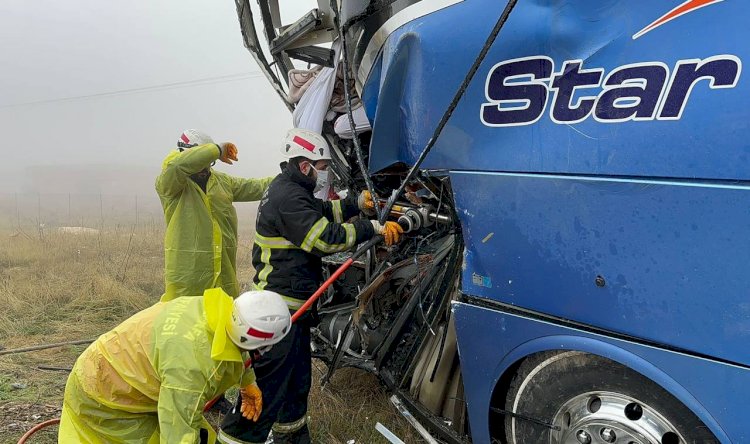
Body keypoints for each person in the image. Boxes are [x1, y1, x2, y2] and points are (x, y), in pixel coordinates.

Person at [219, 128, 403, 444]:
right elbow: (323, 239)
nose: (323, 174)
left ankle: (291, 438)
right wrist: (369, 226)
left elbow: (321, 212)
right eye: (321, 167)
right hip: (278, 312)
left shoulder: (292, 190)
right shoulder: (287, 197)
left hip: (295, 309)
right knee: (270, 387)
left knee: (296, 383)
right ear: (305, 165)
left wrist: (356, 203)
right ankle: (239, 438)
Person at [58, 289, 291, 444]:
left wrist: (246, 381)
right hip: (105, 397)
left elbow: (232, 342)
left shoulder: (215, 311)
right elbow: (177, 430)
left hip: (113, 362)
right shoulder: (191, 370)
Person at [156, 129, 273, 301]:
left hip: (224, 276)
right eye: (202, 161)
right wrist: (217, 150)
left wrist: (290, 179)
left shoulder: (222, 182)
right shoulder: (170, 183)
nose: (205, 168)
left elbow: (257, 186)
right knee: (188, 323)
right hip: (187, 281)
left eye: (210, 163)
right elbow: (176, 165)